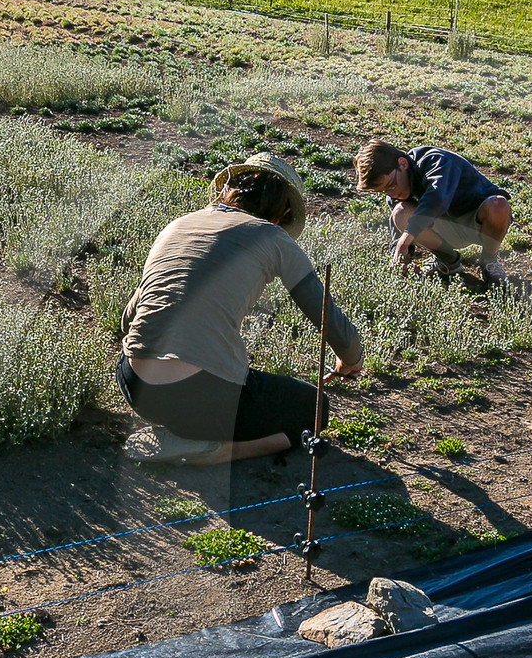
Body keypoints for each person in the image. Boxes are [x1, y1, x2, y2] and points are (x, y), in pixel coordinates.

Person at [118, 153, 363, 464]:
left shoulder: (179, 225)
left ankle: (184, 429)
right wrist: (350, 359)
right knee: (315, 410)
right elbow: (330, 321)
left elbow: (130, 318)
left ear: (227, 190)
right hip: (200, 397)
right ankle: (216, 451)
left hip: (134, 384)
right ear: (283, 212)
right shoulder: (272, 236)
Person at [354, 138, 512, 288]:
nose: (391, 193)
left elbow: (438, 198)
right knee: (400, 213)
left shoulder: (435, 160)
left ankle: (489, 262)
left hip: (477, 224)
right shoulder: (396, 192)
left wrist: (409, 233)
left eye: (391, 185)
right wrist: (403, 258)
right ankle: (449, 262)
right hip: (445, 230)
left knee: (498, 205)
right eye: (383, 191)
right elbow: (399, 231)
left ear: (402, 164)